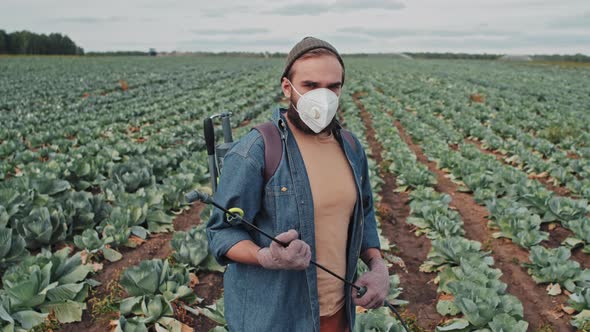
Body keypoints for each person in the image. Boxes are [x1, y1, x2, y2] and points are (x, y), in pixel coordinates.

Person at [206, 36, 389, 332]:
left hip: (337, 313)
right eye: (311, 85)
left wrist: (378, 266)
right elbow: (221, 232)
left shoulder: (352, 148)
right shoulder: (256, 150)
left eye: (333, 87)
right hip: (275, 318)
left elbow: (364, 214)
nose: (323, 96)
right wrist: (264, 256)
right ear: (287, 88)